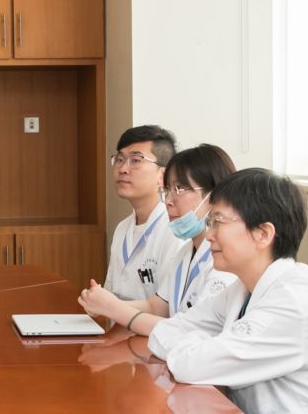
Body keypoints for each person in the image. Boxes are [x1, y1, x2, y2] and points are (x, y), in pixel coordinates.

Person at [148, 168, 308, 414]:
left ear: (263, 234)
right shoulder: (241, 289)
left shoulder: (293, 298)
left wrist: (200, 348)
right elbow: (163, 332)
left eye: (218, 221)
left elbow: (191, 365)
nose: (209, 234)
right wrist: (201, 347)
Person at [80, 143, 240, 338]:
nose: (169, 200)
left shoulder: (225, 261)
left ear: (214, 195)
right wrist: (105, 304)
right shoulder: (186, 252)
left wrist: (115, 309)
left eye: (179, 189)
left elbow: (191, 331)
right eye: (167, 190)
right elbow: (157, 307)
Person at [101, 125, 187, 301]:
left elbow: (167, 307)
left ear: (163, 176)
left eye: (135, 160)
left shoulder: (175, 232)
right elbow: (109, 294)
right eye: (119, 159)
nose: (123, 169)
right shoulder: (122, 228)